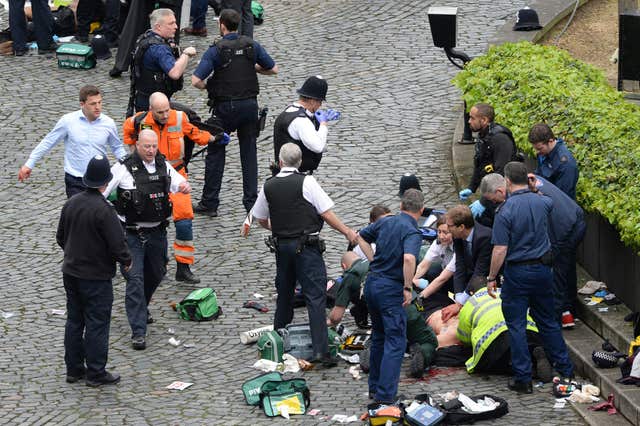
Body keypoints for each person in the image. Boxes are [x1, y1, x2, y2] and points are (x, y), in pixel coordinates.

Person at [252, 143, 357, 367]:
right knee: (315, 297)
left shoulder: (268, 185)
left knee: (284, 293)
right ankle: (320, 351)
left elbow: (260, 219)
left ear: (280, 161)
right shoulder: (307, 182)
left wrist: (281, 228)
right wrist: (347, 231)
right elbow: (326, 213)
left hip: (282, 247)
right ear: (299, 162)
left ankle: (277, 343)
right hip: (307, 247)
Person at [486, 161, 574, 394]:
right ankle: (565, 368)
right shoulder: (543, 202)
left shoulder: (505, 211)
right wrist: (534, 188)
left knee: (516, 325)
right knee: (547, 320)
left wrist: (491, 277)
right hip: (543, 272)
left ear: (506, 181)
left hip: (517, 273)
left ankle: (523, 378)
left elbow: (500, 249)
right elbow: (546, 200)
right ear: (527, 178)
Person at [104, 129, 192, 350]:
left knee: (157, 273)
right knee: (135, 279)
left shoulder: (163, 165)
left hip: (157, 232)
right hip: (132, 233)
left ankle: (141, 306)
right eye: (147, 146)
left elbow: (178, 182)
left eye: (154, 146)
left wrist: (183, 186)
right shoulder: (123, 167)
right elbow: (102, 192)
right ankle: (138, 331)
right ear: (137, 145)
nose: (151, 150)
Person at [123, 92, 222, 284]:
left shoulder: (179, 117)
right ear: (151, 110)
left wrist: (214, 138)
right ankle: (154, 264)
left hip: (177, 175)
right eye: (160, 112)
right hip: (148, 179)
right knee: (150, 222)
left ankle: (183, 267)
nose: (165, 115)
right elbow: (128, 131)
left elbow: (195, 133)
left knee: (184, 221)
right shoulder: (139, 121)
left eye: (167, 110)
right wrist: (132, 151)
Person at [192, 8, 278, 215]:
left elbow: (196, 80)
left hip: (224, 108)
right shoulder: (251, 45)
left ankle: (210, 202)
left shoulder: (216, 50)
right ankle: (251, 203)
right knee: (249, 154)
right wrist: (254, 68)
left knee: (215, 151)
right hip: (249, 106)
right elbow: (273, 69)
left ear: (221, 25)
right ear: (237, 24)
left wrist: (209, 87)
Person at [56, 155, 132, 387]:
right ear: (105, 182)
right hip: (96, 277)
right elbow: (118, 245)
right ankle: (96, 372)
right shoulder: (104, 210)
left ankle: (74, 369)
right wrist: (126, 261)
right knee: (97, 323)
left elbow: (61, 237)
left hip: (71, 272)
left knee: (74, 321)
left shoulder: (71, 203)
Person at [479, 172, 586, 328]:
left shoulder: (516, 199)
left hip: (564, 229)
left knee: (556, 271)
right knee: (566, 267)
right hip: (575, 218)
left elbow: (504, 245)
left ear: (500, 191)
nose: (494, 203)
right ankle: (567, 309)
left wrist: (492, 277)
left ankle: (556, 317)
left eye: (493, 200)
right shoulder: (525, 181)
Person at [356, 188, 424, 404]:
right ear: (421, 211)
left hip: (372, 284)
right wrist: (407, 287)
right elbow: (409, 260)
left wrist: (373, 259)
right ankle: (386, 396)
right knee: (395, 341)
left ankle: (374, 389)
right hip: (390, 290)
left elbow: (360, 237)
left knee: (378, 337)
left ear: (401, 206)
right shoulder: (413, 232)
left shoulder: (385, 222)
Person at [18, 85, 127, 198]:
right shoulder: (68, 121)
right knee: (78, 214)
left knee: (96, 214)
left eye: (100, 102)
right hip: (75, 180)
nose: (98, 107)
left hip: (99, 182)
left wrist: (130, 166)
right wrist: (29, 164)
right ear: (82, 104)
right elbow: (48, 142)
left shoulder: (108, 123)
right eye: (93, 104)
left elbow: (117, 147)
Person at [457, 286, 552, 381]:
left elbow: (464, 337)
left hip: (494, 339)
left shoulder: (471, 301)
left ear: (473, 292)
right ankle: (539, 355)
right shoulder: (506, 290)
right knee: (525, 345)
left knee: (496, 362)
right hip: (528, 329)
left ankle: (524, 368)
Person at [129, 8, 196, 113]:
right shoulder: (159, 48)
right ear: (158, 27)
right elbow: (175, 72)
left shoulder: (145, 38)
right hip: (154, 105)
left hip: (144, 97)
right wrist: (186, 54)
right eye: (171, 23)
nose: (176, 27)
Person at [271, 76, 340, 175]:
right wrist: (323, 124)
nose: (320, 105)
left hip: (281, 174)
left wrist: (316, 119)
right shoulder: (301, 121)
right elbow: (318, 146)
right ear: (312, 101)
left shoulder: (289, 110)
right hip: (297, 178)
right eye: (320, 101)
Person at [438, 205, 493, 322]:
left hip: (487, 278)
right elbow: (460, 265)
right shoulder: (458, 236)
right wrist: (458, 294)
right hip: (471, 274)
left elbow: (480, 271)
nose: (447, 229)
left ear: (461, 227)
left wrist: (461, 302)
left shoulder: (485, 237)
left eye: (449, 226)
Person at [458, 103, 518, 201]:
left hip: (504, 193)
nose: (469, 121)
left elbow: (501, 173)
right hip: (491, 188)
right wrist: (471, 188)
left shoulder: (500, 139)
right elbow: (479, 164)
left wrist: (484, 202)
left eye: (472, 118)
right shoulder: (483, 135)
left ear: (484, 120)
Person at [529, 123, 579, 200]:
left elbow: (562, 196)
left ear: (550, 141)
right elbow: (540, 173)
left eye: (539, 148)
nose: (537, 152)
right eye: (535, 149)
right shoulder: (543, 153)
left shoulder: (565, 164)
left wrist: (537, 191)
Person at [413, 216, 456, 306]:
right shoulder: (438, 243)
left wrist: (421, 297)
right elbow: (423, 265)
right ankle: (443, 300)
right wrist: (413, 280)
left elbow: (443, 278)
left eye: (445, 233)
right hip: (445, 271)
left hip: (459, 277)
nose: (441, 236)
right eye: (439, 231)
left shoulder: (459, 247)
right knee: (431, 272)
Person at [327, 251, 370, 329]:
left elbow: (336, 317)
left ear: (344, 266)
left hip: (380, 301)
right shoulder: (370, 260)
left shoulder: (350, 275)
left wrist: (326, 321)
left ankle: (360, 314)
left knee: (353, 291)